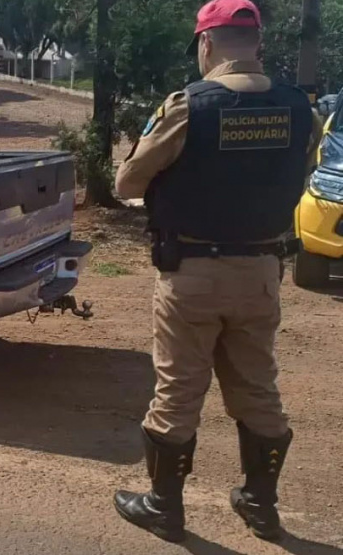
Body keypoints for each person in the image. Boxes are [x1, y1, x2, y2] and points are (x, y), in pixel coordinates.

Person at [111, 0, 325, 544]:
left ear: (206, 44)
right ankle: (260, 505)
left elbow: (129, 184)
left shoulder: (189, 105)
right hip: (260, 271)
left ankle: (164, 507)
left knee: (179, 392)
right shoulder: (300, 108)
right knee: (258, 389)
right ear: (256, 44)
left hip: (192, 274)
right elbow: (300, 180)